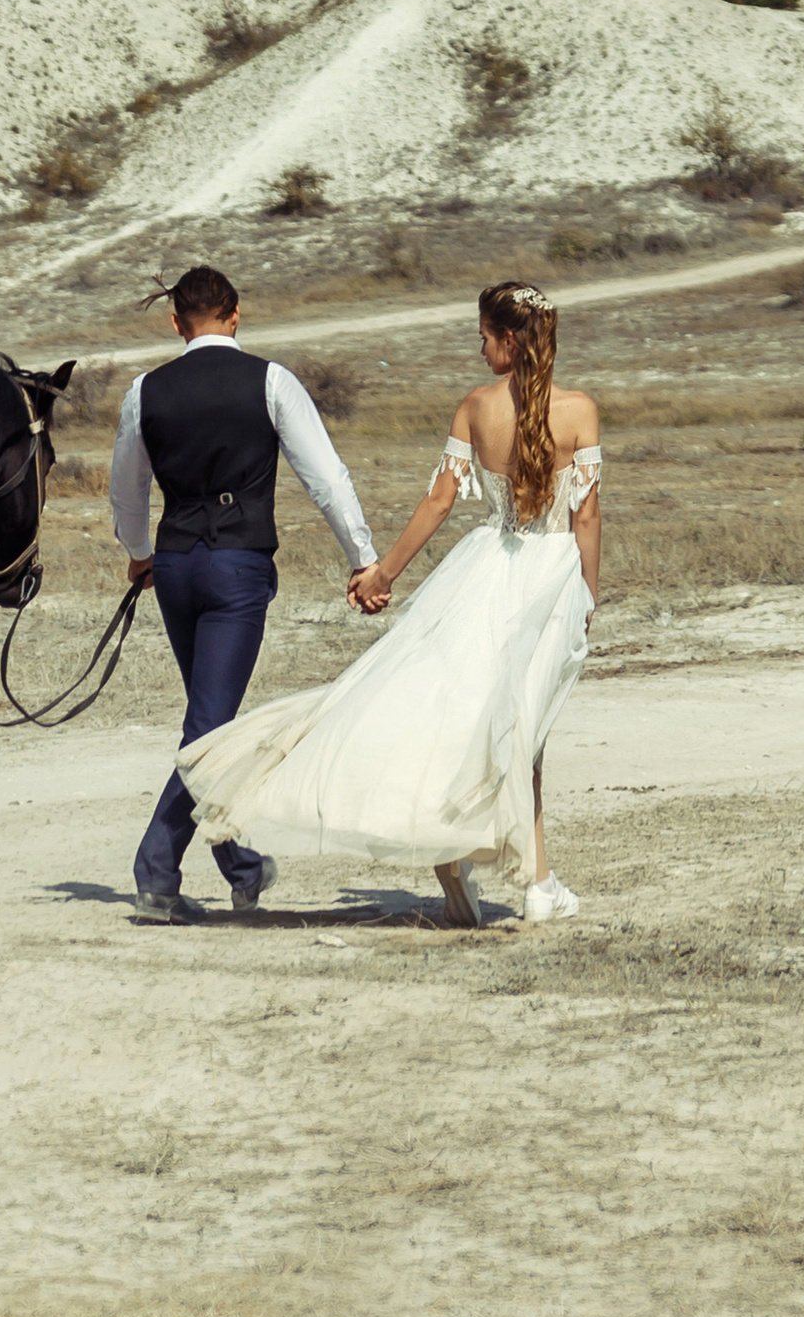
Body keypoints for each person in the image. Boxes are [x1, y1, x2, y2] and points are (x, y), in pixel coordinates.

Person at [178, 279, 600, 927]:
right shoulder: (580, 411)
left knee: (458, 714)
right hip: (549, 576)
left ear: (509, 341)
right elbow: (587, 516)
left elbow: (438, 501)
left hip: (489, 568)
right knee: (522, 729)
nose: (478, 345)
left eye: (484, 335)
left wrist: (384, 574)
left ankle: (482, 869)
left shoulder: (474, 409)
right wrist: (588, 594)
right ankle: (537, 884)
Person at [109, 262, 378, 919]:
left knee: (211, 718)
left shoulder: (145, 390)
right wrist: (363, 557)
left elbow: (127, 487)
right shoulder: (271, 380)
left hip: (174, 566)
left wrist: (140, 553)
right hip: (237, 568)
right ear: (235, 316)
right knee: (209, 724)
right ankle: (156, 868)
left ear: (176, 323)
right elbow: (327, 477)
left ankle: (241, 865)